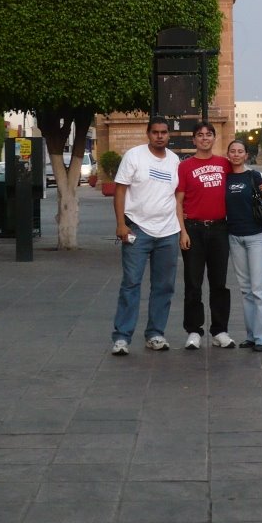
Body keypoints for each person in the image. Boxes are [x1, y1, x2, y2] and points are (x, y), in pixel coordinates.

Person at [111, 116, 181, 355]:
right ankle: (122, 337)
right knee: (131, 284)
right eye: (155, 132)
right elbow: (120, 190)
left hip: (168, 232)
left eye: (163, 132)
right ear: (148, 134)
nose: (159, 136)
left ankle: (155, 334)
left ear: (168, 135)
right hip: (137, 230)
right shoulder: (134, 156)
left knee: (164, 286)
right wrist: (121, 224)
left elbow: (179, 196)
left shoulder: (174, 161)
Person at [176, 121, 235, 350]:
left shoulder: (224, 164)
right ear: (194, 140)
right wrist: (183, 231)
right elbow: (178, 201)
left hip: (220, 228)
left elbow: (241, 178)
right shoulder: (185, 166)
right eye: (200, 135)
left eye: (209, 134)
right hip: (194, 229)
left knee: (219, 282)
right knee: (193, 282)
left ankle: (220, 330)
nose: (204, 138)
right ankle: (193, 330)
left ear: (214, 138)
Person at [225, 139, 262, 352]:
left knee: (259, 289)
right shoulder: (225, 178)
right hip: (235, 237)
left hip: (257, 236)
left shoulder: (254, 177)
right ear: (228, 155)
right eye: (233, 151)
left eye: (240, 151)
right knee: (246, 289)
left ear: (246, 155)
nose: (237, 154)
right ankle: (252, 335)